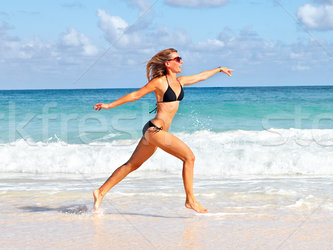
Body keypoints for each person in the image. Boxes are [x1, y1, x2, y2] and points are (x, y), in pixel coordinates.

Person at [92, 48, 233, 213]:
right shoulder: (160, 82)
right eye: (178, 59)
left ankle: (100, 192)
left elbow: (200, 76)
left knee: (132, 165)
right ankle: (191, 200)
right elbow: (136, 95)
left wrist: (219, 69)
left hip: (155, 133)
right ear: (168, 63)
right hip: (155, 130)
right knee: (189, 158)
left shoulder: (180, 81)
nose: (181, 62)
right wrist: (109, 105)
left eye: (180, 59)